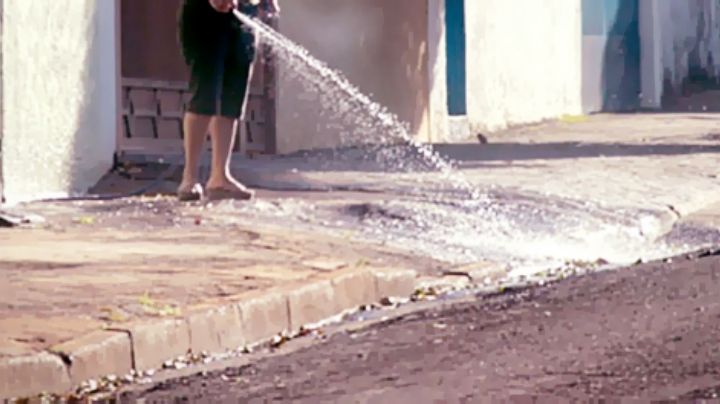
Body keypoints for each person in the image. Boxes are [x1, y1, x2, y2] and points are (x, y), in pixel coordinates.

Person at [177, 0, 280, 201]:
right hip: (205, 13)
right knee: (204, 93)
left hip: (243, 12)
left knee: (233, 94)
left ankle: (220, 176)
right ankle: (189, 178)